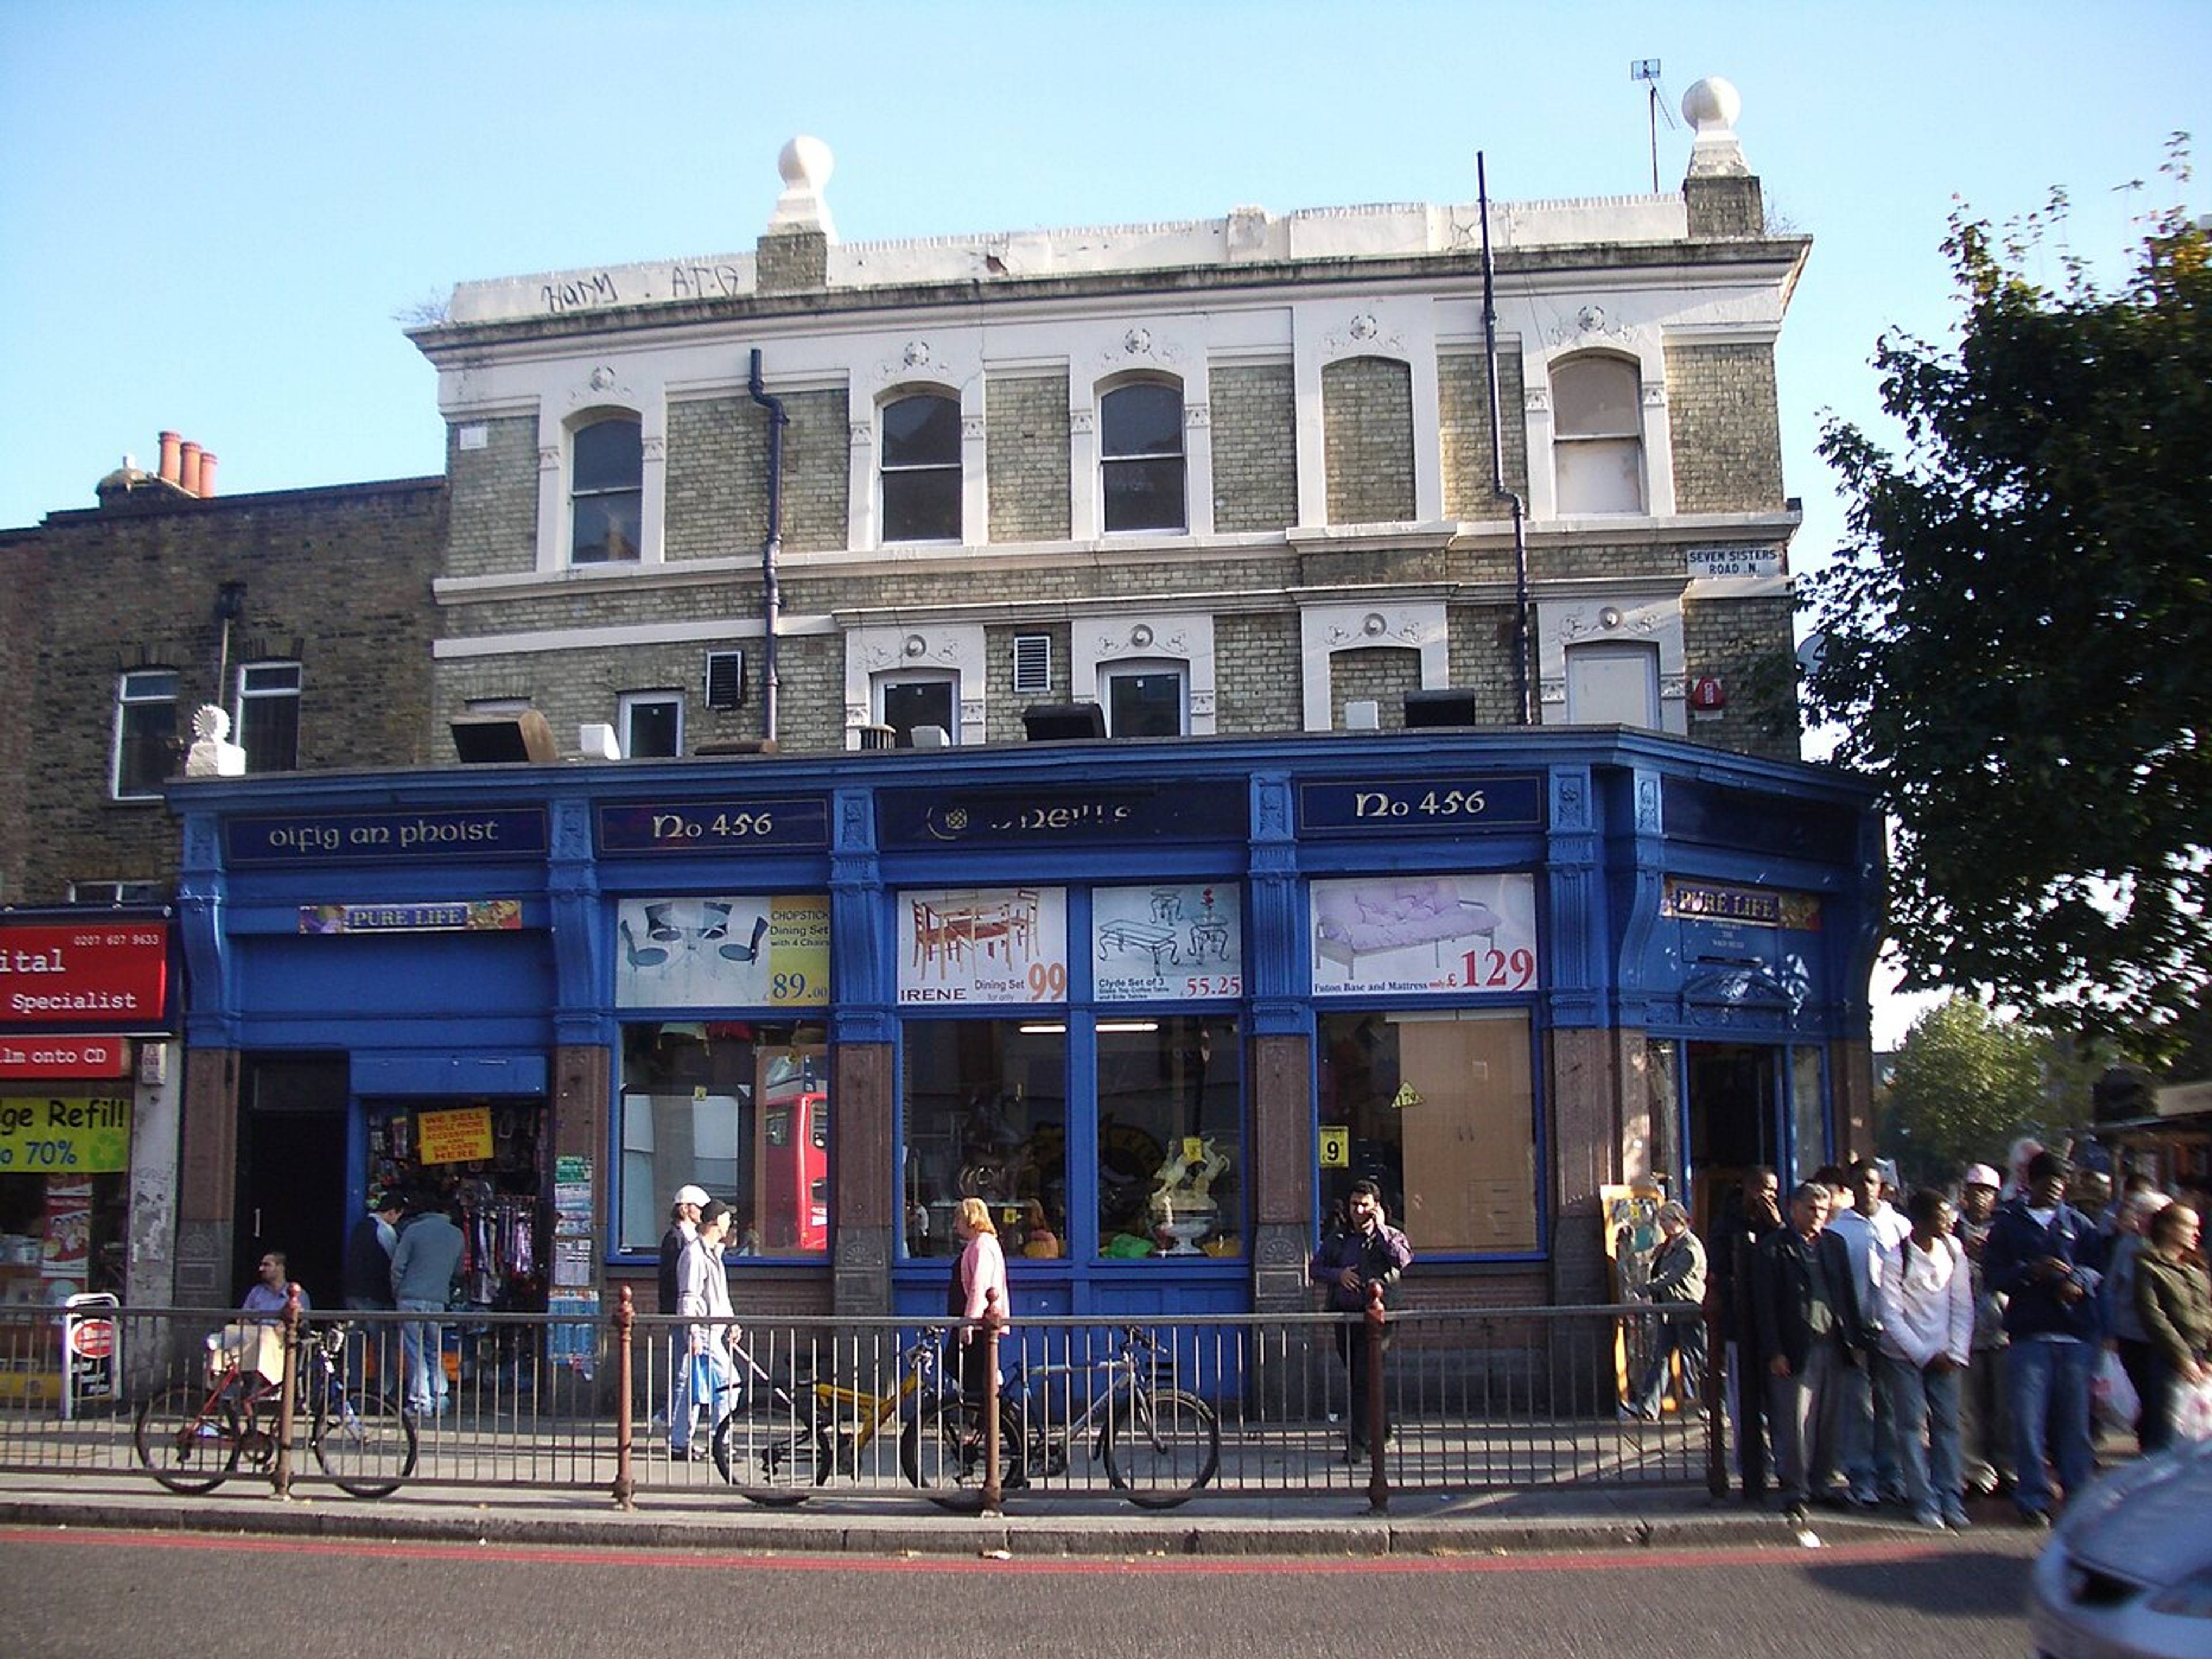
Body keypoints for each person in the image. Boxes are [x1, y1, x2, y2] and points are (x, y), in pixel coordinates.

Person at [1983, 1150, 2105, 1528]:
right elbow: (1994, 1276)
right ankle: (2032, 1498)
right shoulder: (2008, 1226)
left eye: (2060, 1183)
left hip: (2074, 1336)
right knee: (2028, 1422)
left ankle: (2079, 1494)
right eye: (2048, 1182)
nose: (2055, 1189)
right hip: (2029, 1336)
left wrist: (2078, 1281)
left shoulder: (2080, 1224)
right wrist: (2031, 1271)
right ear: (2030, 1184)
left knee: (2074, 1424)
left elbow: (2098, 1269)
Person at [1751, 1180, 1868, 1522]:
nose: (1817, 1216)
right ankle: (1795, 1488)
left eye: (1823, 1210)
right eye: (1810, 1209)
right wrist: (1774, 1351)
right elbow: (1765, 1305)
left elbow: (1846, 1295)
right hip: (1795, 1347)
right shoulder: (1774, 1248)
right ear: (1794, 1209)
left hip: (1834, 1341)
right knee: (1795, 1422)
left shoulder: (1835, 1244)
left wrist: (1855, 1341)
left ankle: (1824, 1483)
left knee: (1830, 1420)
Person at [1872, 1188, 1974, 1531]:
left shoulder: (1953, 1250)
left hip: (1946, 1356)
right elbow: (1891, 1314)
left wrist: (1955, 1351)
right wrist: (1922, 1354)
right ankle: (1923, 1499)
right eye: (1942, 1215)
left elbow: (1962, 1304)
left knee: (1947, 1426)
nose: (1949, 1220)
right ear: (1921, 1220)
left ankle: (1950, 1495)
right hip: (1906, 1356)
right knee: (1911, 1426)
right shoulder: (1896, 1257)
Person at [1309, 1178, 1414, 1461]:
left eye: (1364, 1205)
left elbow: (1403, 1260)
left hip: (1379, 1321)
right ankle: (1384, 1430)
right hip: (1346, 1318)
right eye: (1354, 1204)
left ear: (1376, 1207)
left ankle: (1357, 1445)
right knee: (1364, 1377)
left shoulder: (1389, 1235)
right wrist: (1338, 1275)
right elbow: (1315, 1268)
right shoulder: (1339, 1238)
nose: (1358, 1211)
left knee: (1364, 1378)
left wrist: (1380, 1228)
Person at [1824, 1160, 1907, 1504]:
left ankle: (1893, 1474)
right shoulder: (1839, 1230)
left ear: (1881, 1186)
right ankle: (1861, 1477)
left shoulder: (1900, 1226)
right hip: (1855, 1330)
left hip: (1894, 1329)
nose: (1866, 1189)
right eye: (1858, 1183)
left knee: (1891, 1406)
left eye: (1871, 1182)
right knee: (1857, 1408)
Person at [1710, 1166, 1782, 1501]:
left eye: (1773, 1190)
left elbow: (1787, 1259)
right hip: (1740, 1326)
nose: (1767, 1196)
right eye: (1763, 1189)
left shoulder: (1777, 1226)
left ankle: (1785, 1466)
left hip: (1775, 1328)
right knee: (1742, 1401)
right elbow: (1719, 1272)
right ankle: (1749, 1468)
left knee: (1780, 1402)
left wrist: (1777, 1226)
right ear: (1749, 1187)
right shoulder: (1726, 1223)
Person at [1955, 1162, 2014, 1496]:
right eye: (1974, 1191)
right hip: (1965, 1331)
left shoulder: (2007, 1228)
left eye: (1986, 1192)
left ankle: (2008, 1467)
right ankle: (1978, 1473)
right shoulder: (1951, 1228)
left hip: (2003, 1327)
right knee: (1969, 1407)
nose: (1979, 1198)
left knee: (2005, 1406)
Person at [2132, 1203, 2210, 1453]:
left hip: (2203, 1360)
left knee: (2200, 1433)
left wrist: (2209, 1358)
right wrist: (2183, 1359)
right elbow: (2153, 1316)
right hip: (2169, 1360)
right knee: (2166, 1434)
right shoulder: (2149, 1266)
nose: (2196, 1233)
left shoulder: (2196, 1270)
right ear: (2168, 1228)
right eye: (2190, 1227)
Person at [2103, 1187, 2173, 1449]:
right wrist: (2109, 1332)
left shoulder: (2174, 1248)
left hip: (2165, 1338)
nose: (2142, 1220)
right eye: (2140, 1214)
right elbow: (2111, 1289)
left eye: (2150, 1215)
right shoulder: (2127, 1246)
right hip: (2132, 1334)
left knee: (2162, 1402)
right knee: (2144, 1396)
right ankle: (2148, 1451)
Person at [1625, 1201, 1707, 1422]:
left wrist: (1645, 1289)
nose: (1663, 1225)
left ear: (1680, 1220)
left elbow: (1674, 1276)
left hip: (1687, 1308)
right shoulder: (1668, 1245)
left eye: (1667, 1220)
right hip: (1668, 1310)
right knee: (1660, 1358)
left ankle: (1715, 1405)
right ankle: (1649, 1407)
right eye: (1661, 1220)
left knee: (1699, 1359)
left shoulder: (1689, 1247)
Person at [390, 1190, 465, 1419]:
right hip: (438, 1299)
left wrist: (398, 1291)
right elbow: (459, 1271)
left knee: (415, 1351)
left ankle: (420, 1402)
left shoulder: (413, 1231)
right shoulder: (457, 1235)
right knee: (434, 1349)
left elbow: (397, 1267)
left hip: (410, 1298)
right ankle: (439, 1398)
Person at [674, 1199, 738, 1460]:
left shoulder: (713, 1253)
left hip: (712, 1332)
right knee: (729, 1383)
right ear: (714, 1221)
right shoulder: (695, 1254)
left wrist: (732, 1322)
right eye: (727, 1219)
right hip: (703, 1333)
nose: (730, 1224)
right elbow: (688, 1296)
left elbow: (719, 1296)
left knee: (694, 1388)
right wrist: (692, 1332)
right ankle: (720, 1442)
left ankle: (680, 1442)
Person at [658, 1183, 708, 1455]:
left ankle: (672, 1423)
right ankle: (672, 1425)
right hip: (681, 1315)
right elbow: (672, 1281)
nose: (702, 1212)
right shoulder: (676, 1238)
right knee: (683, 1374)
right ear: (686, 1208)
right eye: (699, 1207)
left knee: (687, 1374)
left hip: (685, 1315)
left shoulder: (691, 1237)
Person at [948, 1196, 1012, 1402]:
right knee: (977, 1374)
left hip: (979, 1324)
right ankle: (988, 1417)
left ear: (970, 1219)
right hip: (980, 1322)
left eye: (958, 1219)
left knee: (966, 1370)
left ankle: (991, 1417)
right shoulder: (981, 1244)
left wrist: (969, 1321)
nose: (955, 1225)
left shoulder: (981, 1246)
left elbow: (980, 1285)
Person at [341, 1191, 404, 1391]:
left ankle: (354, 1392)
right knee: (383, 1347)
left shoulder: (360, 1227)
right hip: (376, 1297)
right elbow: (395, 1264)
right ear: (393, 1212)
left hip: (353, 1294)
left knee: (355, 1347)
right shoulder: (385, 1231)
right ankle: (383, 1393)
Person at [241, 1250, 307, 1316]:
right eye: (262, 1265)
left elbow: (303, 1323)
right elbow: (241, 1318)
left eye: (267, 1265)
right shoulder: (256, 1292)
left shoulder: (297, 1293)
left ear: (280, 1268)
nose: (261, 1269)